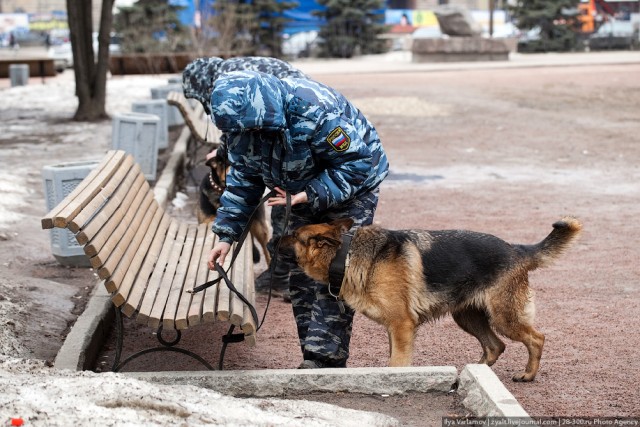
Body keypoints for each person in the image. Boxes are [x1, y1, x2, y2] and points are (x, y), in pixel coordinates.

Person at [206, 70, 389, 369]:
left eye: (255, 130)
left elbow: (357, 163)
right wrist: (226, 236)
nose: (249, 138)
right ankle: (311, 356)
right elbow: (243, 180)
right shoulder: (240, 128)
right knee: (303, 266)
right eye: (241, 133)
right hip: (295, 189)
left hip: (353, 187)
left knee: (336, 267)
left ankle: (326, 359)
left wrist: (310, 193)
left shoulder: (315, 111)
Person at [183, 56, 308, 300]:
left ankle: (283, 276)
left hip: (292, 133)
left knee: (287, 205)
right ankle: (284, 273)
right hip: (284, 130)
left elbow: (247, 121)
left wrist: (224, 150)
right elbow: (243, 124)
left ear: (201, 85)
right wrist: (223, 149)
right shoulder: (230, 71)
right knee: (284, 203)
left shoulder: (231, 76)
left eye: (199, 97)